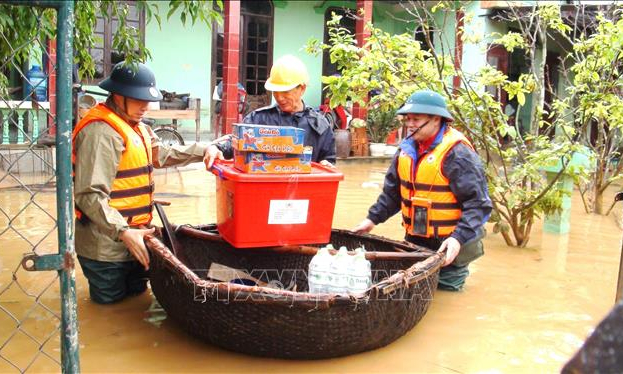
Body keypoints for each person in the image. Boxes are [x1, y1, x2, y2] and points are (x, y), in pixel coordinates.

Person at [72, 62, 211, 304]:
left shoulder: (138, 127)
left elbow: (163, 154)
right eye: (138, 100)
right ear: (118, 95)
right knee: (110, 313)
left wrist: (206, 149)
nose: (145, 107)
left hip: (137, 240)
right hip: (106, 250)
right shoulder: (101, 132)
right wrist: (123, 231)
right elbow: (89, 195)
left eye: (147, 100)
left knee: (137, 305)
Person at [352, 90, 492, 291]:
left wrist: (458, 238)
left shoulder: (458, 154)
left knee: (444, 293)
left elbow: (478, 205)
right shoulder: (406, 149)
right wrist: (371, 220)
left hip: (453, 244)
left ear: (436, 119)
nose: (409, 124)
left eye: (416, 119)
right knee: (414, 291)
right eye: (407, 119)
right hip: (417, 241)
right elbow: (393, 194)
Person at [204, 55, 336, 167]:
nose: (279, 97)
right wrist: (216, 148)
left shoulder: (320, 126)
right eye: (275, 91)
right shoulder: (257, 119)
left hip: (302, 193)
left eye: (285, 91)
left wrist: (327, 165)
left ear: (302, 88)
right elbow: (235, 143)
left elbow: (328, 162)